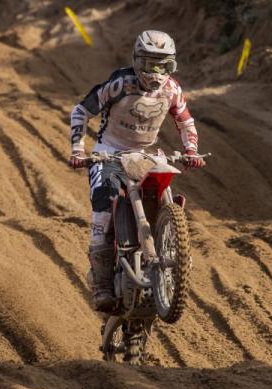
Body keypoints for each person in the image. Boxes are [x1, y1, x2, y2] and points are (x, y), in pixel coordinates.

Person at [68, 30, 205, 311]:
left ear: (172, 65)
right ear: (136, 61)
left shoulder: (172, 90)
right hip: (108, 152)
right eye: (148, 64)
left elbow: (185, 121)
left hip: (144, 154)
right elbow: (81, 111)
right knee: (103, 209)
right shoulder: (120, 84)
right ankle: (102, 285)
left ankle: (171, 255)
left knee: (164, 188)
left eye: (163, 65)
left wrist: (191, 150)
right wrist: (78, 150)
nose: (155, 73)